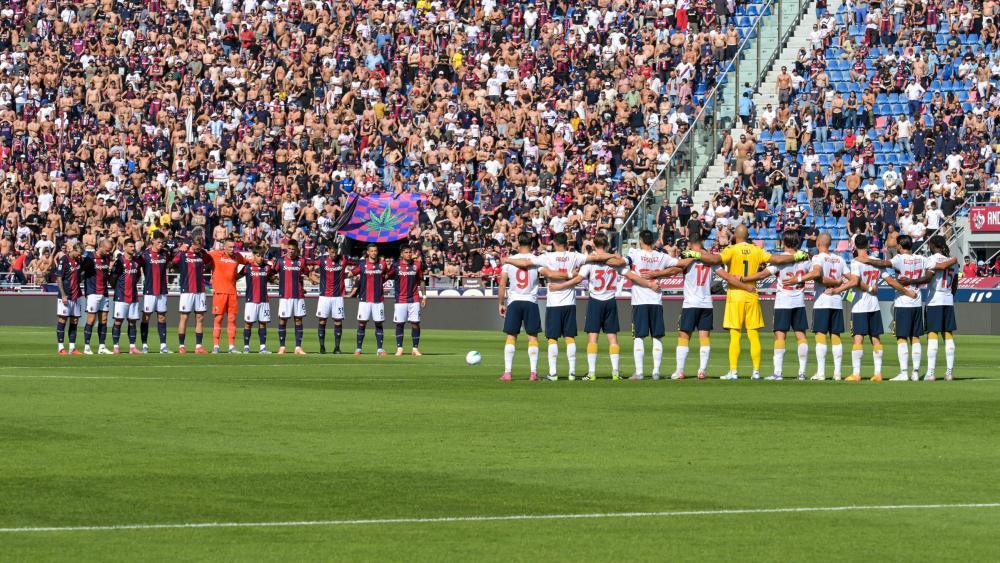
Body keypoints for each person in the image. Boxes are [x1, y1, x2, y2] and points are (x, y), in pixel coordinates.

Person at [690, 224, 808, 379]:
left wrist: (694, 254)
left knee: (735, 334)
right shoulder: (756, 250)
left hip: (736, 294)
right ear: (746, 236)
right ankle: (756, 371)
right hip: (752, 294)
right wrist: (797, 256)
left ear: (735, 237)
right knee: (753, 335)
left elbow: (714, 259)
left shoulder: (731, 250)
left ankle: (733, 371)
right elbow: (776, 259)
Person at [504, 233, 617, 380]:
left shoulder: (547, 257)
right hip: (570, 302)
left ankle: (553, 373)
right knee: (570, 338)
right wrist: (614, 256)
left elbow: (525, 264)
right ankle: (571, 373)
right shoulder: (574, 256)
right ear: (566, 243)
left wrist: (507, 260)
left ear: (555, 243)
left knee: (552, 339)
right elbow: (596, 257)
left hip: (554, 303)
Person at [546, 234, 627, 381]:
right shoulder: (614, 261)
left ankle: (591, 372)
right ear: (607, 245)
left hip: (595, 300)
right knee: (613, 338)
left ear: (594, 246)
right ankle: (615, 372)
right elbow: (625, 268)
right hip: (610, 300)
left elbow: (578, 279)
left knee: (592, 337)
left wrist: (560, 286)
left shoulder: (590, 262)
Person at [740, 231, 815, 380]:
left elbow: (762, 275)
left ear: (784, 242)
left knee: (780, 337)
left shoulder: (779, 260)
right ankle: (802, 373)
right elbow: (815, 273)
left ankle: (778, 372)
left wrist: (744, 278)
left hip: (783, 302)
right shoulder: (805, 259)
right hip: (799, 301)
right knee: (801, 336)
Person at [857, 235, 925, 381]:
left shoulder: (900, 258)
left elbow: (884, 262)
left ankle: (903, 372)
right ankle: (915, 372)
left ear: (900, 246)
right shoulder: (920, 259)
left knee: (901, 337)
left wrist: (867, 260)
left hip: (903, 302)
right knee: (915, 337)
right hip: (917, 300)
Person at [497, 232, 561, 381]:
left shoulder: (509, 261)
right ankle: (533, 372)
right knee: (532, 337)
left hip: (514, 302)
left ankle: (507, 372)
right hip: (531, 302)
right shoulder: (536, 260)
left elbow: (501, 284)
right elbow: (548, 273)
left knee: (511, 336)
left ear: (518, 243)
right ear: (532, 244)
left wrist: (500, 303)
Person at [625, 229, 680, 380]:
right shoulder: (661, 256)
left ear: (641, 241)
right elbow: (679, 266)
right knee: (657, 337)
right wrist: (659, 274)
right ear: (653, 240)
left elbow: (623, 263)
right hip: (656, 301)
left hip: (640, 301)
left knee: (638, 337)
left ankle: (640, 372)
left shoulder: (634, 254)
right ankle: (656, 372)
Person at [906, 235, 958, 380]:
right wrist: (950, 296)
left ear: (933, 245)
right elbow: (955, 284)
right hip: (948, 299)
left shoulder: (932, 259)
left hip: (934, 300)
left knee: (932, 335)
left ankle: (931, 372)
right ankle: (949, 373)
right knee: (948, 335)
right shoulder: (953, 261)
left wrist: (911, 281)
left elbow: (928, 278)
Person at [806, 233, 849, 381]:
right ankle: (837, 373)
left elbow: (817, 276)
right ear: (829, 244)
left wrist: (835, 284)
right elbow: (853, 280)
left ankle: (821, 372)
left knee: (820, 335)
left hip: (822, 302)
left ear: (818, 242)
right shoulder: (840, 259)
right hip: (836, 302)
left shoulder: (818, 258)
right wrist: (838, 287)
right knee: (835, 336)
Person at [208, 239, 249, 353]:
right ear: (224, 247)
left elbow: (248, 262)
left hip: (232, 292)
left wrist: (239, 275)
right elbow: (203, 256)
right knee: (219, 318)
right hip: (220, 292)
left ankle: (231, 346)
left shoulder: (237, 256)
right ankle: (216, 346)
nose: (232, 249)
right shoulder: (215, 254)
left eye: (233, 247)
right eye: (230, 247)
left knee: (232, 319)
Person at [352, 244, 394, 355]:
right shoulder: (362, 264)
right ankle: (358, 349)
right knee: (362, 323)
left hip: (378, 299)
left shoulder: (382, 264)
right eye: (372, 251)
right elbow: (352, 273)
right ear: (368, 252)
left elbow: (385, 276)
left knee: (379, 323)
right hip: (364, 299)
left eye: (375, 251)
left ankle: (380, 349)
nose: (374, 253)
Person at [311, 243, 353, 354]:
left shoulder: (343, 259)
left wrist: (350, 274)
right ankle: (322, 347)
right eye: (332, 252)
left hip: (338, 296)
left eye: (335, 252)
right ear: (328, 250)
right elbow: (306, 263)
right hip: (324, 296)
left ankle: (337, 347)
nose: (334, 254)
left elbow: (359, 265)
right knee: (322, 320)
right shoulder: (321, 260)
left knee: (338, 321)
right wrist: (311, 277)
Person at [173, 236, 211, 354]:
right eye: (196, 248)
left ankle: (198, 346)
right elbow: (174, 262)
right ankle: (181, 346)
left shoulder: (202, 254)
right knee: (184, 317)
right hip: (187, 290)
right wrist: (180, 250)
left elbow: (209, 262)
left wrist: (205, 268)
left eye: (200, 248)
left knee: (200, 317)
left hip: (200, 290)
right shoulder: (183, 253)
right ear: (192, 244)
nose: (198, 250)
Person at [138, 231, 172, 353]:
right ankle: (144, 345)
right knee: (146, 317)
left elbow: (172, 262)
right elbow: (136, 266)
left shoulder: (165, 254)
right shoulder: (144, 255)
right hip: (149, 291)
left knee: (162, 317)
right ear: (152, 241)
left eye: (162, 242)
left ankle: (163, 345)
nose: (161, 244)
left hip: (162, 291)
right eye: (158, 242)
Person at [275, 239, 310, 355]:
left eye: (293, 249)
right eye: (289, 249)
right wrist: (274, 281)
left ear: (297, 250)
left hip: (298, 295)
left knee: (298, 320)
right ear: (286, 248)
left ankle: (298, 347)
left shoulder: (301, 261)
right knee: (283, 320)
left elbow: (307, 273)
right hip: (285, 295)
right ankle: (282, 347)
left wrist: (316, 280)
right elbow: (271, 272)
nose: (290, 251)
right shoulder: (280, 261)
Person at [110, 240, 143, 354]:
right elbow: (113, 278)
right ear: (125, 247)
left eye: (134, 246)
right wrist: (118, 289)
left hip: (133, 296)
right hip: (121, 296)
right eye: (131, 246)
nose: (133, 248)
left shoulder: (136, 262)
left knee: (132, 322)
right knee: (118, 321)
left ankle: (132, 347)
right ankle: (115, 347)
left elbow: (138, 275)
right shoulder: (119, 261)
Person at [392, 245, 426, 357]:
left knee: (415, 323)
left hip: (414, 298)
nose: (408, 254)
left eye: (410, 252)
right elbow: (386, 276)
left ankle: (415, 348)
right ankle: (399, 348)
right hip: (400, 299)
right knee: (399, 324)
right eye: (406, 252)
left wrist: (424, 296)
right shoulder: (396, 265)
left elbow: (421, 281)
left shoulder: (417, 265)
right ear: (401, 254)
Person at [81, 239, 113, 355]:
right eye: (107, 250)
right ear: (100, 246)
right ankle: (87, 346)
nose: (108, 253)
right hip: (93, 292)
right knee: (91, 319)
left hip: (104, 292)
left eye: (110, 251)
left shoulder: (107, 258)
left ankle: (102, 347)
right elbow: (81, 271)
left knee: (104, 320)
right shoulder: (89, 257)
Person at [53, 242, 85, 355]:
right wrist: (63, 294)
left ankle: (72, 348)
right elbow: (59, 278)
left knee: (74, 320)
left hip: (76, 295)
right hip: (66, 295)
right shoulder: (64, 260)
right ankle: (61, 347)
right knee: (62, 319)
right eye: (79, 253)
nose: (80, 256)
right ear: (74, 250)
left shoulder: (79, 261)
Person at [242, 246, 274, 354]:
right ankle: (246, 346)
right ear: (254, 255)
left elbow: (273, 279)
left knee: (263, 323)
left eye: (262, 256)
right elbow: (235, 276)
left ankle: (262, 347)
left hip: (264, 300)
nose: (260, 258)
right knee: (248, 323)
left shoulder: (267, 268)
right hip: (251, 300)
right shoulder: (247, 268)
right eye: (258, 256)